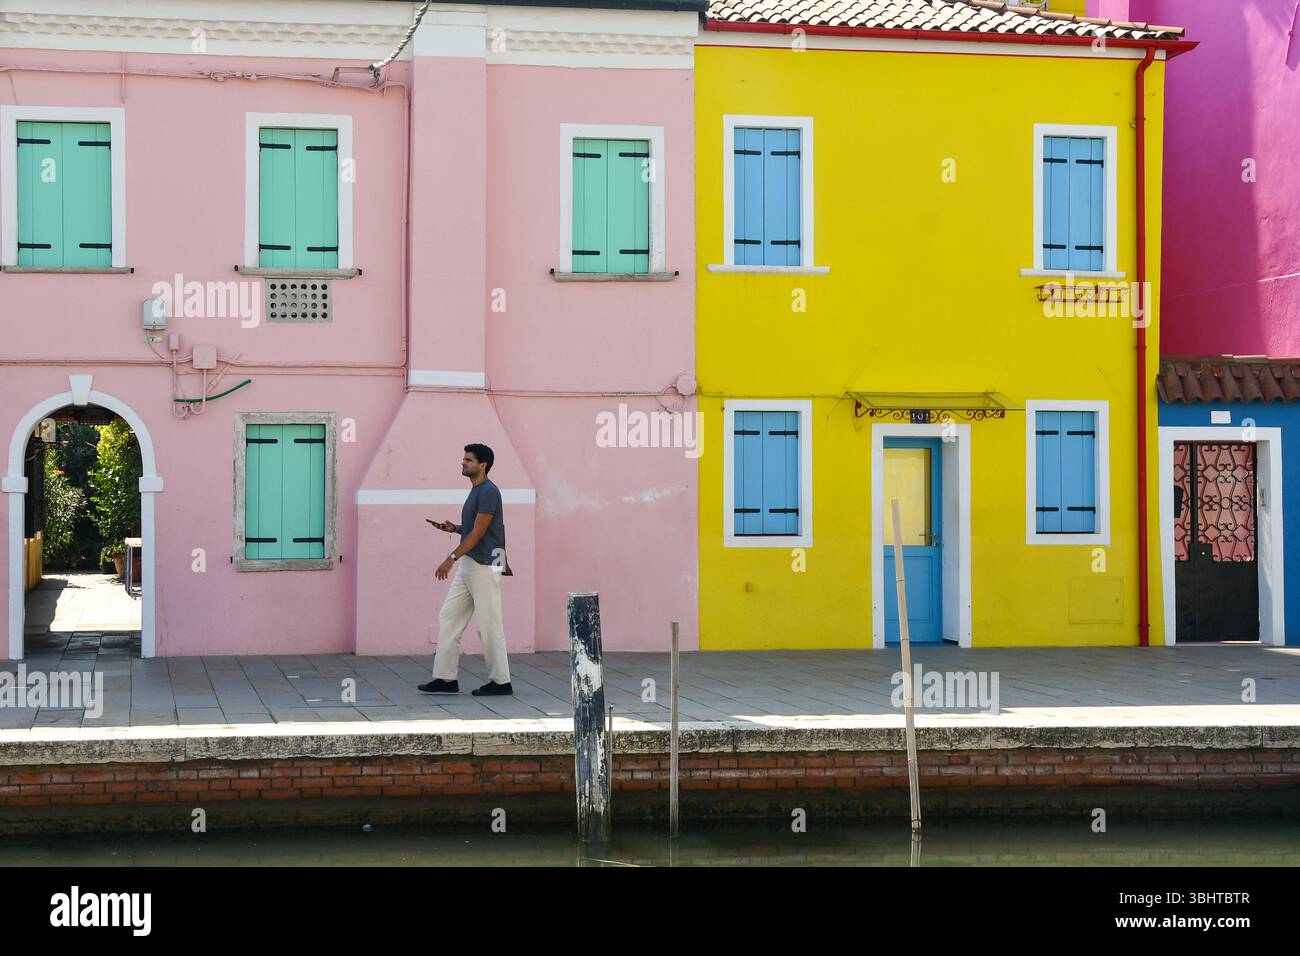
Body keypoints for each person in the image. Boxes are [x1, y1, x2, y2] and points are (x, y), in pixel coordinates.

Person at [418, 443, 513, 697]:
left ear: (483, 465)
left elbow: (481, 532)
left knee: (489, 624)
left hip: (485, 564)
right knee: (449, 617)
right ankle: (445, 679)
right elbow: (475, 529)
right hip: (470, 562)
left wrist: (450, 558)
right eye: (464, 459)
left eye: (469, 460)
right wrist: (455, 529)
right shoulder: (476, 491)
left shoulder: (489, 491)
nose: (463, 462)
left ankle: (501, 682)